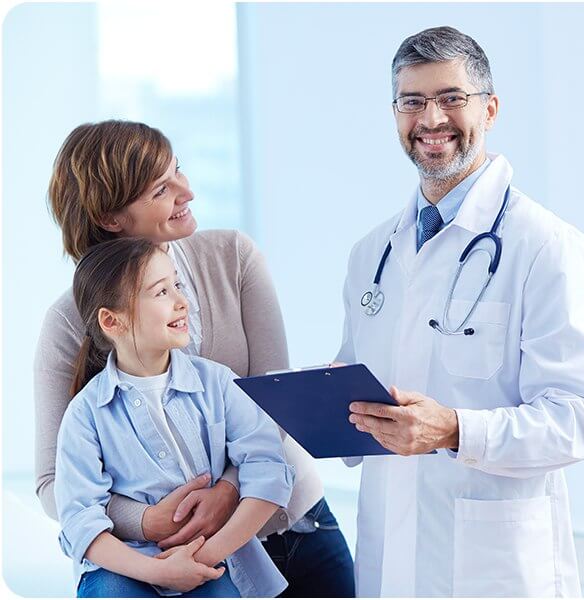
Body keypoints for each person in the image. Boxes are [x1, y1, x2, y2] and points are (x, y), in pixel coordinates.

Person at [338, 26, 584, 597]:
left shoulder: (546, 246)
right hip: (389, 561)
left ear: (490, 108)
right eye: (413, 101)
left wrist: (456, 430)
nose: (431, 118)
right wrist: (324, 404)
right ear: (395, 114)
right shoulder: (371, 254)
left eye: (451, 98)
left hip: (496, 568)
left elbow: (577, 419)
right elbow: (358, 386)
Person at [35, 120, 355, 597]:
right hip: (171, 562)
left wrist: (228, 490)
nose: (187, 191)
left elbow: (274, 406)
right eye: (161, 189)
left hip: (293, 527)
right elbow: (55, 482)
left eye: (177, 170)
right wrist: (147, 520)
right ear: (111, 218)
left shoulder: (234, 256)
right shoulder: (69, 321)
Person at [56, 237, 294, 597]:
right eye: (161, 292)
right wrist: (159, 571)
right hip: (123, 566)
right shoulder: (85, 414)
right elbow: (80, 520)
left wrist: (201, 558)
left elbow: (269, 471)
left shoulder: (219, 383)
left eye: (177, 285)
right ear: (112, 321)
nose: (183, 302)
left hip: (214, 558)